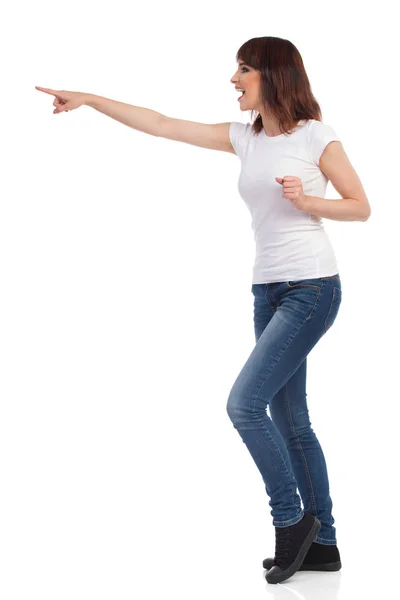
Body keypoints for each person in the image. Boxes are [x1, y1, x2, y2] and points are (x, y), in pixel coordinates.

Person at [36, 35, 371, 585]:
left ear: (272, 75)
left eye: (243, 69)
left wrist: (308, 202)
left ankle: (292, 522)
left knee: (244, 405)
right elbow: (163, 123)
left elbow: (361, 206)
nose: (233, 79)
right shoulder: (246, 138)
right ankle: (324, 545)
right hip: (268, 290)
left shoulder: (317, 137)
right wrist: (91, 99)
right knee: (291, 420)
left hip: (312, 287)